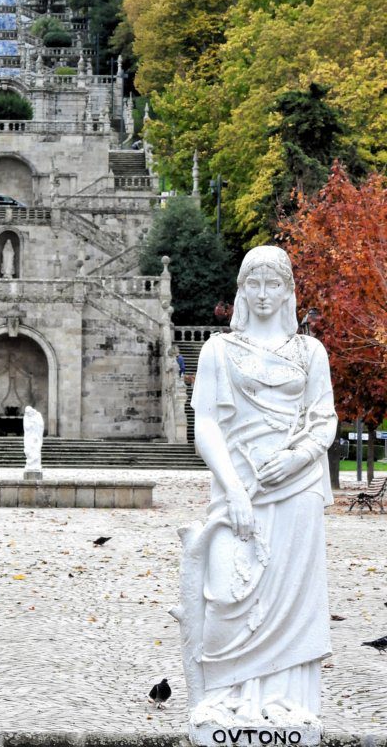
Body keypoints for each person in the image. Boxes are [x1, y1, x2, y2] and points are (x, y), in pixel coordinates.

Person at [175, 245, 337, 732]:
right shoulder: (218, 351)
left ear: (288, 291)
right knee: (227, 592)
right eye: (254, 284)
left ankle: (286, 702)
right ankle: (226, 698)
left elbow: (324, 419)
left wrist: (296, 458)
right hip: (238, 487)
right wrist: (235, 492)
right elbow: (204, 426)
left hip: (297, 490)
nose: (263, 294)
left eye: (274, 284)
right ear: (241, 290)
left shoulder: (311, 352)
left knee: (290, 599)